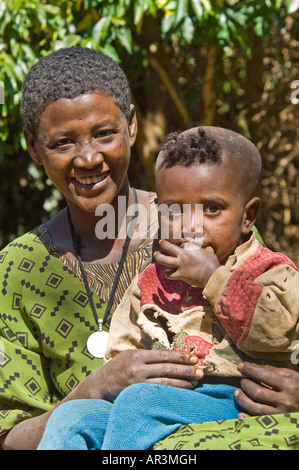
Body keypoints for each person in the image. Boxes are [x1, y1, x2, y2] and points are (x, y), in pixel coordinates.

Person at [36, 126, 299, 450]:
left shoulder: (270, 271)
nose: (191, 225)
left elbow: (277, 329)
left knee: (139, 404)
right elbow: (124, 349)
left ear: (248, 215)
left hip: (236, 396)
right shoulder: (152, 279)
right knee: (72, 417)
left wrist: (212, 277)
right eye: (175, 210)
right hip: (158, 397)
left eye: (212, 209)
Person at [0, 47, 203, 451]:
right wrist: (95, 387)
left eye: (104, 133)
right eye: (62, 143)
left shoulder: (199, 227)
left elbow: (273, 330)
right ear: (33, 147)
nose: (89, 158)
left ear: (131, 125)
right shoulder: (16, 270)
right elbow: (9, 435)